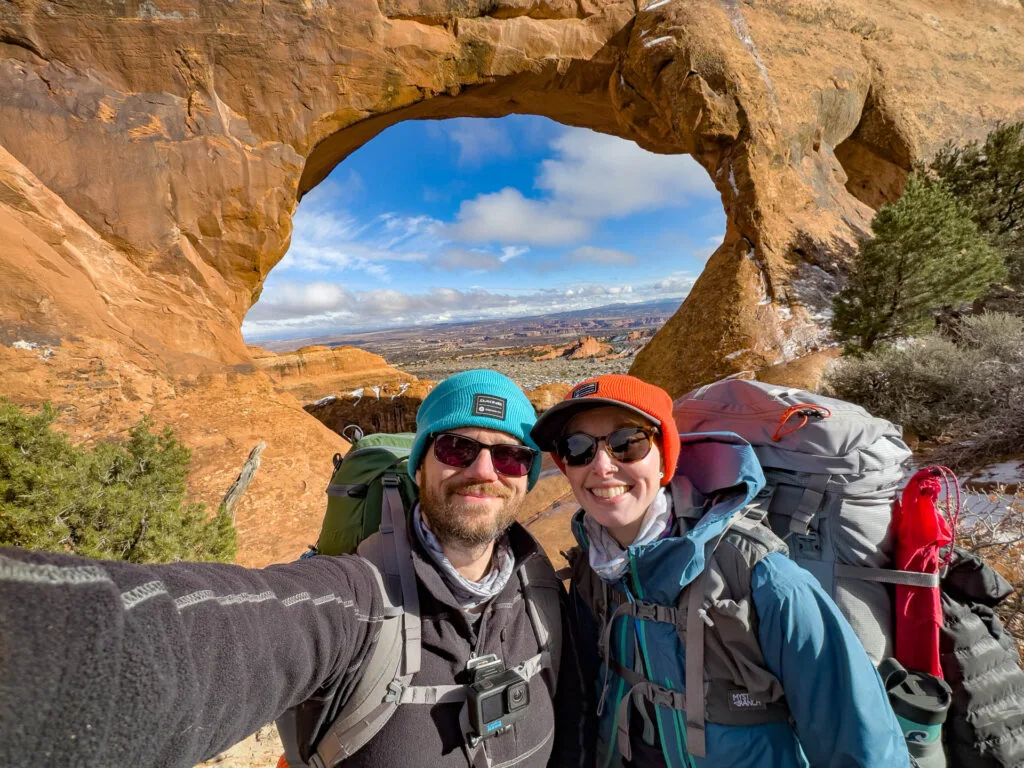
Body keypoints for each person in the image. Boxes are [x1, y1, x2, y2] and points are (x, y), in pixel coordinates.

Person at [0, 370, 588, 768]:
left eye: (511, 454)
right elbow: (194, 640)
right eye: (459, 448)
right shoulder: (355, 601)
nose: (485, 469)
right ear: (420, 465)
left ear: (528, 476)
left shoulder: (543, 596)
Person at [530, 373, 910, 767]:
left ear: (666, 454)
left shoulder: (762, 578)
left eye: (627, 442)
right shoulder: (596, 570)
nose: (602, 466)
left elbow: (859, 743)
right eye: (578, 449)